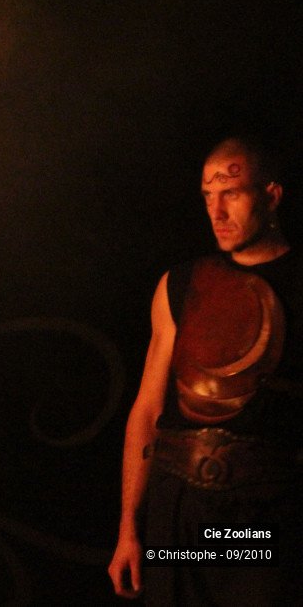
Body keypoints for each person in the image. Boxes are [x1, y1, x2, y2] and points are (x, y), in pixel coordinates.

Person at [108, 137, 303, 604]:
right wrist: (128, 532)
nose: (216, 211)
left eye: (231, 193)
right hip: (177, 517)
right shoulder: (181, 284)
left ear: (271, 195)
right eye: (208, 196)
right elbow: (148, 409)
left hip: (262, 520)